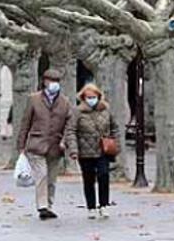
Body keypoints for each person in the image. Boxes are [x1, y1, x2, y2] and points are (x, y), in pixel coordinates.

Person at [16, 68, 73, 220]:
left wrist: (64, 141)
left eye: (57, 81)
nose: (54, 84)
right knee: (42, 174)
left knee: (52, 178)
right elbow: (25, 122)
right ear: (45, 81)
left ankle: (49, 204)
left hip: (55, 146)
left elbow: (69, 124)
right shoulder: (34, 99)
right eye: (51, 81)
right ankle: (42, 206)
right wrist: (21, 145)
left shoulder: (65, 102)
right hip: (36, 144)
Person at [65, 83, 120, 219]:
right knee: (88, 178)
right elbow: (71, 131)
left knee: (103, 175)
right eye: (88, 97)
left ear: (99, 96)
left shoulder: (106, 110)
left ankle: (104, 205)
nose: (91, 99)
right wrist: (73, 149)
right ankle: (91, 206)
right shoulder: (77, 112)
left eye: (94, 96)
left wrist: (115, 142)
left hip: (103, 149)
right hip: (85, 151)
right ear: (83, 97)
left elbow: (115, 127)